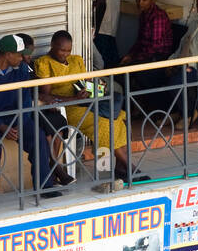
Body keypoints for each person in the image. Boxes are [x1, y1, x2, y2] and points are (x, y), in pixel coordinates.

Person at [35, 31, 148, 184]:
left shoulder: (76, 60)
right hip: (69, 108)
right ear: (52, 45)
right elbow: (45, 96)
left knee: (119, 120)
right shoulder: (44, 63)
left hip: (86, 102)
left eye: (68, 50)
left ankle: (121, 167)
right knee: (104, 124)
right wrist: (74, 98)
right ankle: (130, 168)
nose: (65, 54)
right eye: (62, 50)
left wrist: (98, 87)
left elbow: (88, 83)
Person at [0, 34, 66, 205]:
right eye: (20, 54)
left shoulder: (21, 69)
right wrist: (1, 126)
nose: (23, 58)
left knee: (38, 137)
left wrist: (21, 122)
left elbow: (25, 99)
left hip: (16, 116)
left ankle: (44, 186)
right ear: (7, 54)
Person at [122, 0, 175, 67]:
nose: (140, 3)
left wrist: (134, 58)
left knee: (125, 70)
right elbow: (140, 40)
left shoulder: (158, 16)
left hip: (158, 57)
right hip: (146, 54)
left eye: (144, 0)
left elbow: (155, 47)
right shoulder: (144, 14)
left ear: (152, 0)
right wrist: (130, 55)